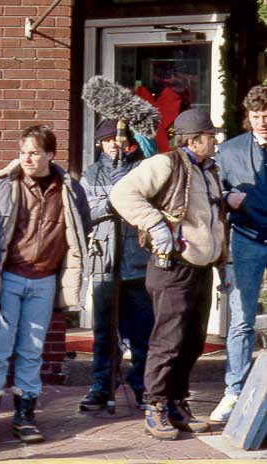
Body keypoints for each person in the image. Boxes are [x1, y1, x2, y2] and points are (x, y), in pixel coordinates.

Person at [0, 125, 91, 445]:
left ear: (51, 154)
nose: (27, 158)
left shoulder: (69, 190)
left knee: (32, 350)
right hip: (7, 278)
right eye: (23, 152)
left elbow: (81, 229)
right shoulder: (1, 186)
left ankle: (25, 415)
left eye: (35, 152)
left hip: (44, 280)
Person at [110, 108, 227, 440]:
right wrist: (154, 224)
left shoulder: (208, 169)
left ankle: (176, 402)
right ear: (193, 140)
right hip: (173, 268)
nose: (215, 141)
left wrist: (222, 258)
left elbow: (210, 220)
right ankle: (156, 406)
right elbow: (121, 194)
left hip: (200, 268)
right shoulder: (165, 164)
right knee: (168, 340)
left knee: (192, 342)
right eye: (210, 136)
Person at [78, 120, 153, 411]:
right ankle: (101, 385)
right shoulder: (92, 173)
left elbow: (148, 204)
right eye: (108, 140)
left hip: (137, 261)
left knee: (142, 331)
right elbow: (86, 211)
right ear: (100, 143)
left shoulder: (141, 169)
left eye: (118, 139)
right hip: (104, 260)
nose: (114, 145)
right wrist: (112, 204)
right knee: (104, 331)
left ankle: (143, 386)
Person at [211, 85, 267, 423]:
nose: (263, 122)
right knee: (242, 319)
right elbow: (215, 189)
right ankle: (234, 391)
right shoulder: (229, 151)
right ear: (247, 117)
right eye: (257, 116)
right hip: (245, 240)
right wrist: (228, 198)